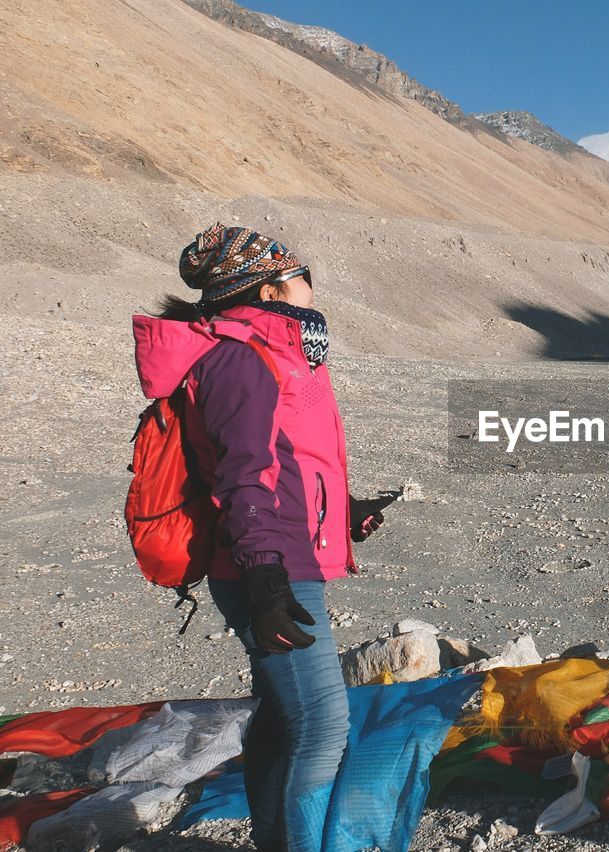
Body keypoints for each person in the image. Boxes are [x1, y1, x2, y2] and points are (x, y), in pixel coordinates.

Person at [133, 224, 386, 851]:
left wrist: (341, 510)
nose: (310, 291)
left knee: (283, 715)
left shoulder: (268, 353)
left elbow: (283, 457)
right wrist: (268, 577)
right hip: (266, 563)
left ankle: (277, 841)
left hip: (272, 550)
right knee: (323, 725)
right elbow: (244, 473)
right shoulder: (239, 358)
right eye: (303, 278)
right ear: (271, 288)